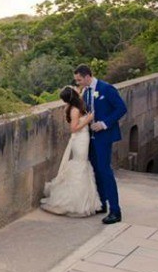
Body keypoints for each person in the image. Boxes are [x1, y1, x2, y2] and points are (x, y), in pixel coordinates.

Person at [74, 64, 128, 225]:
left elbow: (121, 108)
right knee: (96, 169)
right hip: (90, 137)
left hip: (104, 136)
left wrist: (104, 124)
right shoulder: (85, 91)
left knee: (105, 171)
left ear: (87, 76)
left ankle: (115, 210)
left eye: (79, 80)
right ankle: (102, 203)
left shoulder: (107, 89)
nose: (78, 83)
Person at [40, 86, 103, 218]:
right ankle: (75, 202)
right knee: (79, 165)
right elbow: (74, 129)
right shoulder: (74, 110)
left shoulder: (77, 105)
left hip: (83, 138)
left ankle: (83, 201)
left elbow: (79, 91)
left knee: (82, 165)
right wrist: (87, 120)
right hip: (79, 139)